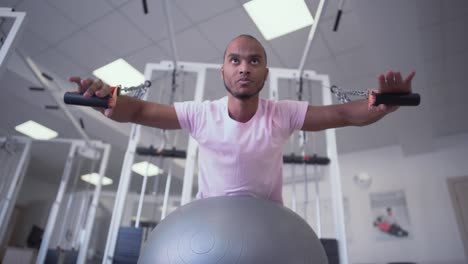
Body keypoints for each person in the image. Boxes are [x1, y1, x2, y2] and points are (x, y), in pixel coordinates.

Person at [69, 34, 415, 204]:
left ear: (265, 71)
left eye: (254, 60)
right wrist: (109, 101)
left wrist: (380, 106)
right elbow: (142, 111)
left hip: (265, 226)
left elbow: (342, 113)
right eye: (235, 61)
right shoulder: (201, 114)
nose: (244, 68)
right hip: (212, 225)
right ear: (223, 70)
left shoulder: (282, 113)